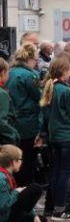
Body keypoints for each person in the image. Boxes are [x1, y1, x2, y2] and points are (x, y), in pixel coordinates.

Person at [39, 55, 70, 221]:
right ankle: (60, 209)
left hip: (54, 135)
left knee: (56, 172)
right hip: (67, 134)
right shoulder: (65, 91)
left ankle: (52, 207)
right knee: (65, 173)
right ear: (64, 71)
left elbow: (44, 115)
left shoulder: (49, 88)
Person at [8, 44, 41, 188]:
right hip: (28, 123)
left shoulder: (10, 72)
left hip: (12, 122)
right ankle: (25, 194)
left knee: (14, 160)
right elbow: (39, 97)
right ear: (32, 58)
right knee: (27, 161)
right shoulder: (30, 75)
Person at [0, 145, 47, 222]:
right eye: (20, 159)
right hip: (2, 218)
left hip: (6, 214)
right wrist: (16, 192)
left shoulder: (6, 174)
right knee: (35, 189)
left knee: (42, 220)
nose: (21, 162)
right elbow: (3, 206)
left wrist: (33, 215)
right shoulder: (1, 179)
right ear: (14, 162)